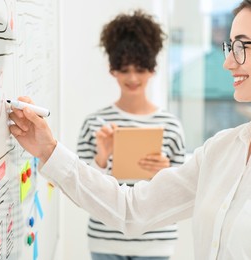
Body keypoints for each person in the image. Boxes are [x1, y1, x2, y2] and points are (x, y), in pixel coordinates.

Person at [8, 0, 251, 259]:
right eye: (228, 46)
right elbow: (131, 211)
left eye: (242, 47)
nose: (227, 62)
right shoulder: (221, 150)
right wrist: (48, 150)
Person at [76, 10, 186, 260]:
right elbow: (81, 191)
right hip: (105, 240)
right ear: (112, 70)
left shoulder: (170, 126)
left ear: (152, 69)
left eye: (140, 68)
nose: (133, 78)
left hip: (156, 242)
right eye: (124, 69)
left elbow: (182, 195)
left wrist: (166, 172)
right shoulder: (94, 124)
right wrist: (101, 158)